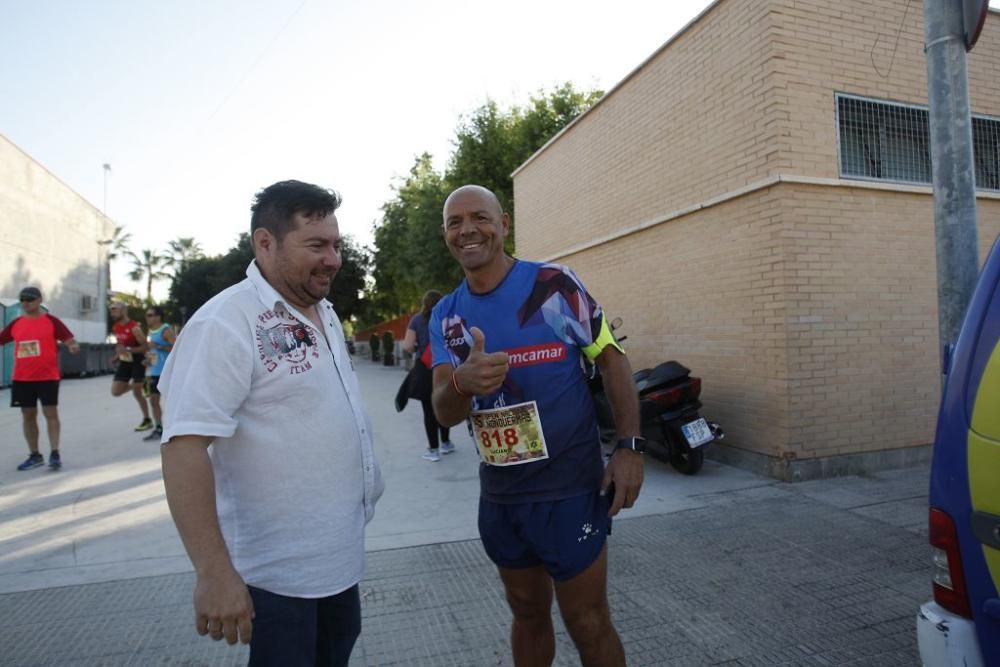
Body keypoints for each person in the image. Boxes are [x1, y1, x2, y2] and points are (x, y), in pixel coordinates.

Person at [158, 180, 384, 666]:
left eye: (337, 245)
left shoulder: (321, 310)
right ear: (265, 243)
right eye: (317, 245)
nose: (334, 259)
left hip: (338, 559)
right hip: (276, 577)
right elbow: (183, 448)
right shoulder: (224, 323)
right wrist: (214, 572)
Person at [429, 185, 644, 667]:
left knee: (587, 620)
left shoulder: (555, 285)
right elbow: (444, 411)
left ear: (503, 223)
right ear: (445, 234)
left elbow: (613, 361)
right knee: (526, 613)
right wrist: (462, 383)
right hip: (502, 498)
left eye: (479, 218)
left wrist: (629, 449)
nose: (467, 230)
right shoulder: (446, 316)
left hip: (569, 490)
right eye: (454, 222)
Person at [0, 286, 80, 470]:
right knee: (28, 415)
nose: (26, 303)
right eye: (23, 299)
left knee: (50, 413)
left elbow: (69, 340)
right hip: (22, 378)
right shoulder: (16, 324)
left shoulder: (51, 321)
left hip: (47, 377)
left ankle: (55, 453)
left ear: (39, 300)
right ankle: (35, 455)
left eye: (30, 299)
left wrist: (73, 346)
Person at [401, 289, 454, 462]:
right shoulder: (448, 318)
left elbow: (408, 346)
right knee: (445, 404)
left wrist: (419, 348)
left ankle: (433, 450)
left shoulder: (417, 320)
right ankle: (446, 443)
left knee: (428, 410)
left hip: (425, 368)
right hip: (446, 366)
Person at [109, 301, 152, 431]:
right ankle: (143, 382)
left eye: (115, 309)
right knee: (115, 392)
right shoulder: (116, 327)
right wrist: (117, 356)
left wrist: (129, 350)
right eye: (111, 310)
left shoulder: (134, 328)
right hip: (125, 361)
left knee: (137, 392)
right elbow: (120, 345)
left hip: (138, 360)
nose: (112, 312)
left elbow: (146, 347)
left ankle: (147, 419)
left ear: (123, 310)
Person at [141, 305, 175, 442]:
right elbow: (153, 351)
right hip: (155, 371)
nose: (147, 318)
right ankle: (159, 428)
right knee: (154, 400)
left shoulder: (165, 330)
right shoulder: (151, 331)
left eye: (150, 315)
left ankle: (174, 429)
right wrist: (147, 360)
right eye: (147, 315)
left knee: (172, 402)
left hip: (167, 372)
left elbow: (177, 346)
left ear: (158, 317)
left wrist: (159, 346)